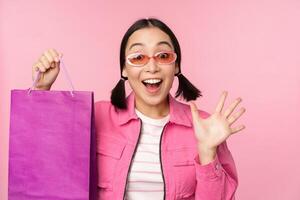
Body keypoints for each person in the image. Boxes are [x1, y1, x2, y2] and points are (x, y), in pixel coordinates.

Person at [31, 18, 246, 200]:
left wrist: (207, 152)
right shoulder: (96, 117)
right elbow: (49, 161)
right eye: (138, 57)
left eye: (163, 56)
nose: (151, 67)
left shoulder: (204, 126)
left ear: (176, 65)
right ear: (124, 69)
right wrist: (42, 89)